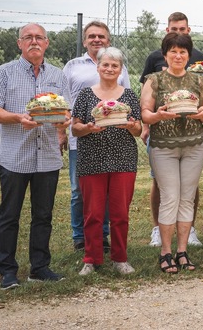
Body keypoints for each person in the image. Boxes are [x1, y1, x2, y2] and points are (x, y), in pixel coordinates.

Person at [0, 23, 69, 290]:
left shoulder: (57, 74)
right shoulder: (4, 73)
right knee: (10, 215)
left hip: (47, 158)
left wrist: (63, 121)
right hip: (15, 157)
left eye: (39, 38)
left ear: (46, 43)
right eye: (28, 38)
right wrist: (19, 117)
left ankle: (40, 267)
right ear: (19, 43)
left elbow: (65, 111)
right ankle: (8, 271)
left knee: (43, 215)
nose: (34, 42)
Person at [141, 32, 203, 273]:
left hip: (194, 145)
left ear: (188, 56)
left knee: (187, 197)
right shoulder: (154, 80)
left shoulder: (198, 81)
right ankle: (165, 252)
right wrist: (158, 115)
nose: (178, 55)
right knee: (170, 197)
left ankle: (182, 251)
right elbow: (145, 114)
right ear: (165, 55)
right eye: (173, 51)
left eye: (182, 52)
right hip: (163, 147)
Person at [71, 47, 141, 276]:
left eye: (115, 66)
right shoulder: (85, 95)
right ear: (98, 67)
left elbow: (139, 130)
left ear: (121, 70)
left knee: (120, 213)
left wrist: (131, 126)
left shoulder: (129, 95)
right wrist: (88, 128)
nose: (110, 69)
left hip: (123, 159)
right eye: (106, 65)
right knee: (93, 213)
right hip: (92, 159)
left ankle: (120, 258)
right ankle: (91, 259)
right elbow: (75, 128)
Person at [63, 21, 130, 252]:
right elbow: (64, 103)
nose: (96, 39)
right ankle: (80, 236)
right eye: (91, 36)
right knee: (79, 190)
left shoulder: (119, 64)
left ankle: (102, 235)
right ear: (84, 41)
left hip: (115, 138)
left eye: (101, 36)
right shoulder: (72, 66)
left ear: (108, 40)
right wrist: (63, 131)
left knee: (108, 193)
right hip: (81, 138)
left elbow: (127, 102)